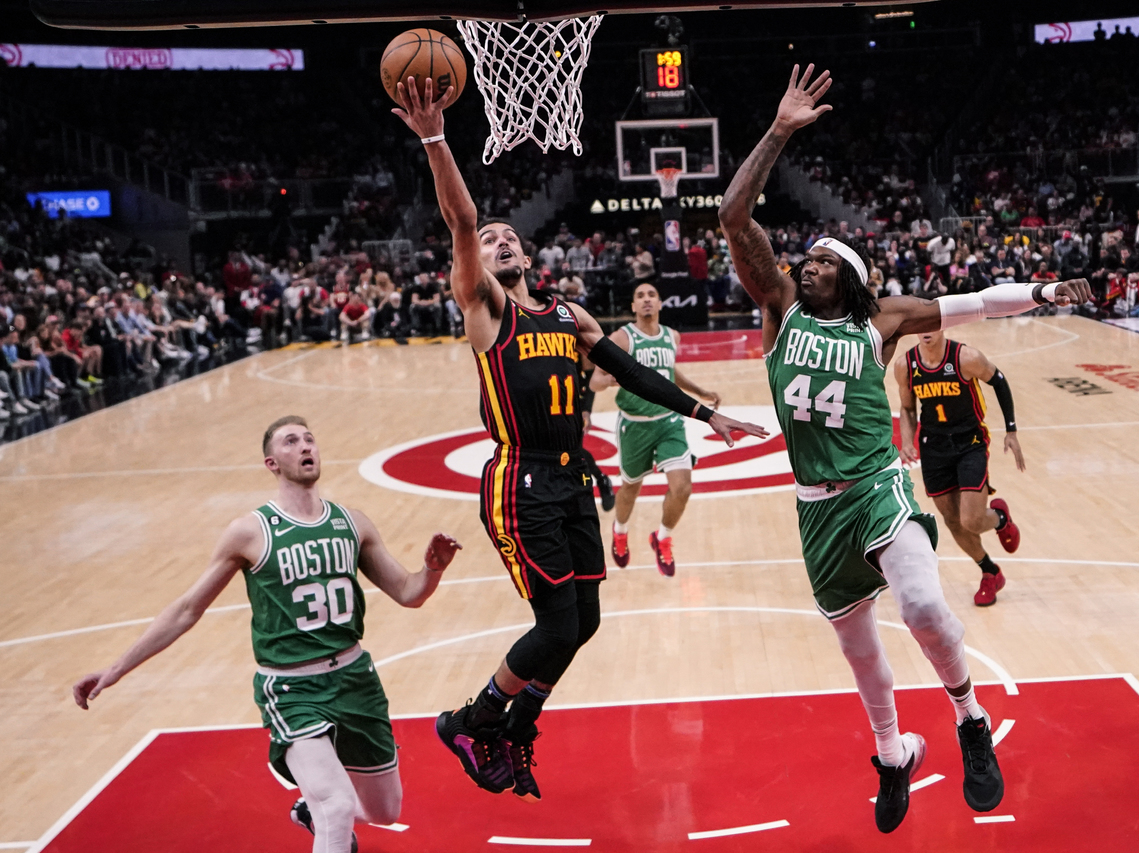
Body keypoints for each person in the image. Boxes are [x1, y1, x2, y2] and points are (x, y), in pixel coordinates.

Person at [718, 64, 1089, 834]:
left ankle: (969, 717)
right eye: (807, 257)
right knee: (859, 651)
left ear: (851, 279)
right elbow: (732, 213)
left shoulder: (879, 322)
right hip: (815, 509)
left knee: (921, 604)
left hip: (877, 487)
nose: (807, 263)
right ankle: (894, 754)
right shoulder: (780, 306)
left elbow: (975, 303)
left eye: (824, 260)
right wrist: (779, 130)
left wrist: (1044, 293)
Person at [392, 75, 766, 802]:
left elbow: (632, 372)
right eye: (490, 239)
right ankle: (470, 722)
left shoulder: (569, 316)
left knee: (585, 619)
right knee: (557, 624)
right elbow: (461, 220)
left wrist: (704, 414)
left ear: (529, 257)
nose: (498, 240)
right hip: (520, 480)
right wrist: (436, 139)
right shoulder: (486, 306)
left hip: (568, 475)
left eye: (509, 237)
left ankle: (517, 724)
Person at [72, 416, 462, 853]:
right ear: (272, 463)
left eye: (309, 439)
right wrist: (116, 669)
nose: (305, 446)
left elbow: (409, 593)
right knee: (336, 807)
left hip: (356, 680)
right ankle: (321, 811)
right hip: (292, 689)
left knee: (386, 811)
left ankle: (309, 810)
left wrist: (432, 569)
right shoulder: (250, 532)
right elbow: (187, 609)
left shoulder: (352, 523)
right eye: (291, 441)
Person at [591, 282, 721, 576]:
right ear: (633, 306)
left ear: (661, 303)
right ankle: (620, 531)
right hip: (634, 426)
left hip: (668, 422)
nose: (646, 299)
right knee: (630, 488)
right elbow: (595, 380)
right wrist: (609, 380)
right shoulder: (621, 339)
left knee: (682, 487)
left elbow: (669, 371)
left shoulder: (672, 336)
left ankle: (662, 538)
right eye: (640, 296)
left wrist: (699, 391)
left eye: (652, 295)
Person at [895, 331, 1024, 607]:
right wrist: (906, 440)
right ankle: (990, 571)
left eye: (932, 324)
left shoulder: (966, 357)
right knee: (952, 520)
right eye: (922, 325)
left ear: (942, 326)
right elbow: (907, 409)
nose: (926, 330)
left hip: (970, 442)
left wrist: (1011, 431)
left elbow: (999, 380)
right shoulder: (905, 365)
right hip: (933, 446)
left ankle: (1000, 518)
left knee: (972, 520)